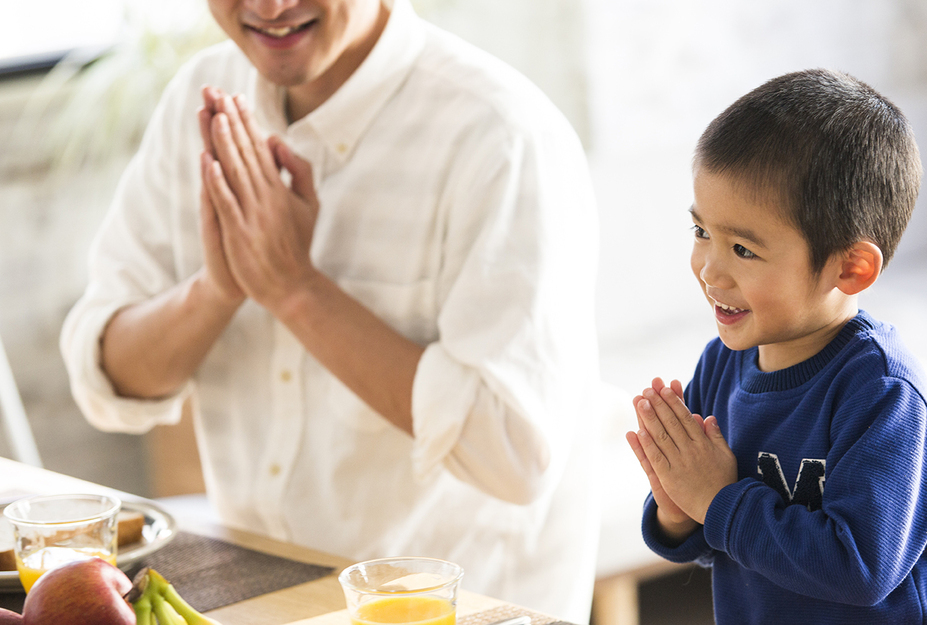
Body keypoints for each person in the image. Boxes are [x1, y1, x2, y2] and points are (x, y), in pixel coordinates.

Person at [60, 0, 601, 619]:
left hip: (464, 608)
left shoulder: (500, 132)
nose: (269, 7)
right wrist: (218, 289)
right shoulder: (200, 94)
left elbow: (514, 453)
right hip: (260, 596)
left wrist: (295, 290)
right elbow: (104, 379)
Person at [625, 69, 927, 623]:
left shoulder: (884, 396)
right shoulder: (721, 365)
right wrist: (677, 508)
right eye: (702, 233)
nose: (709, 270)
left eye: (743, 249)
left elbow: (860, 569)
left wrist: (716, 500)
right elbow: (716, 539)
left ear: (851, 268)